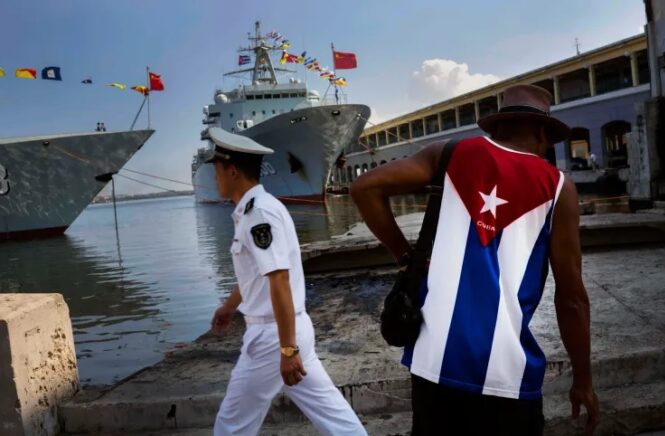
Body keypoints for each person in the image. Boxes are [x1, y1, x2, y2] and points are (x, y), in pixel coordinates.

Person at [350, 84, 599, 436]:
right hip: (506, 373)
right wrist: (583, 380)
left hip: (433, 361)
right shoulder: (558, 187)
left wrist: (405, 258)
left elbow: (364, 188)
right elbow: (572, 298)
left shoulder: (448, 154)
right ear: (544, 134)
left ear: (496, 127)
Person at [206, 127, 366, 436]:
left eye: (217, 170)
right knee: (332, 414)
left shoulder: (258, 214)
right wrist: (229, 306)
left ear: (233, 171)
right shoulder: (258, 210)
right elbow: (258, 276)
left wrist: (287, 351)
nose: (215, 178)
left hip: (273, 336)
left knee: (231, 426)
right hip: (290, 330)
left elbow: (279, 280)